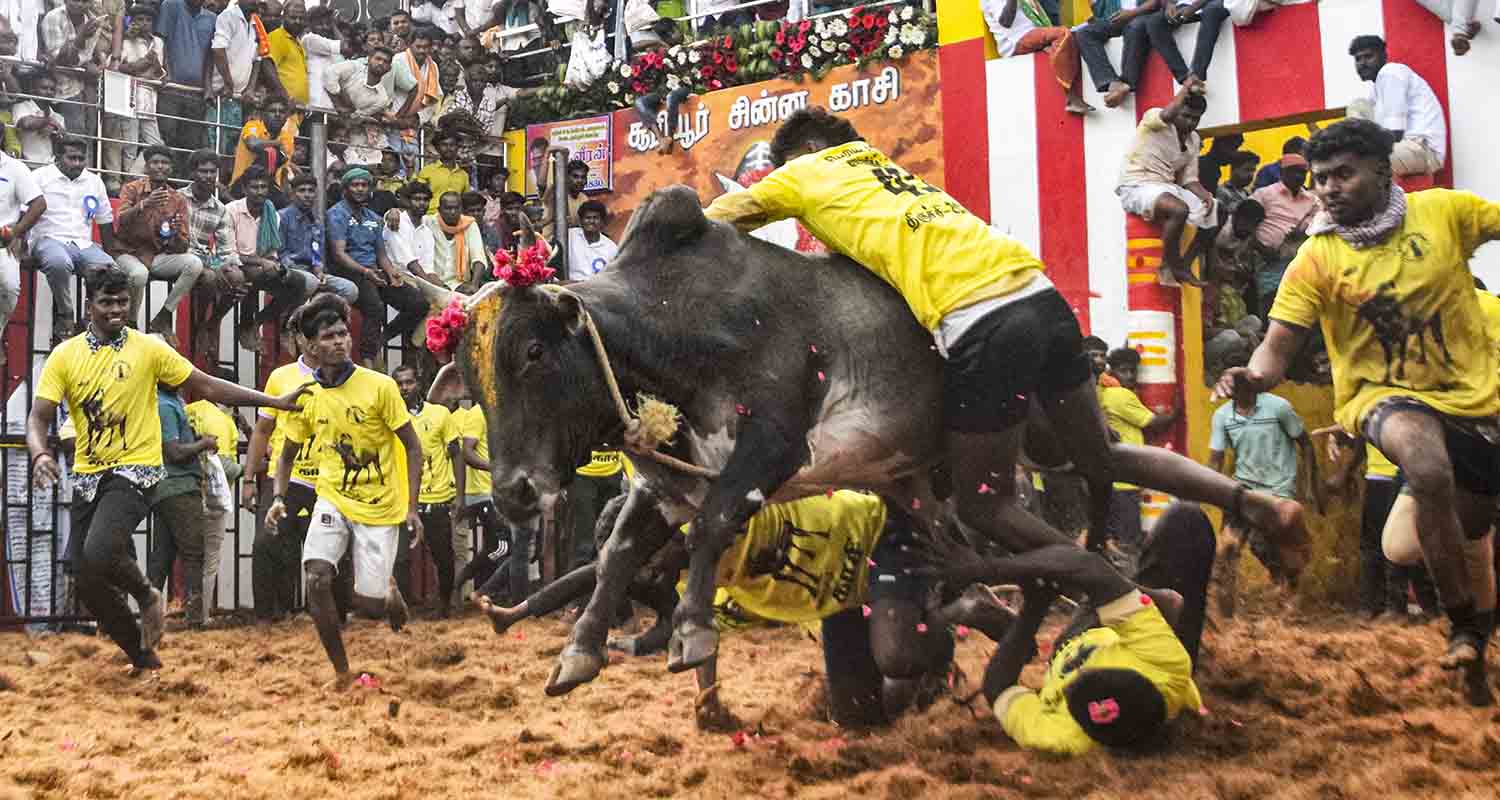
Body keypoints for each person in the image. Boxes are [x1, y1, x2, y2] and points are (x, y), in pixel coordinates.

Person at [1215, 118, 1499, 706]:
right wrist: (1253, 375)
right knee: (1426, 468)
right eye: (1320, 179)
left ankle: (1478, 643)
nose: (1328, 188)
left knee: (1473, 533)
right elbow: (1276, 347)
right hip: (1380, 398)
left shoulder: (1445, 212)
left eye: (1343, 174)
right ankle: (1461, 625)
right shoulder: (1314, 259)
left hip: (1473, 399)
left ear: (1381, 170)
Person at [486, 491, 974, 728]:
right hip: (840, 601)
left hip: (878, 534)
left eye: (648, 561)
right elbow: (597, 577)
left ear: (668, 535)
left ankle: (957, 616)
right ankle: (913, 644)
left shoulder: (718, 519)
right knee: (862, 723)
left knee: (897, 656)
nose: (650, 575)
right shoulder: (698, 587)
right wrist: (709, 700)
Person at [26, 267, 305, 673]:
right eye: (107, 302)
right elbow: (38, 418)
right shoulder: (65, 356)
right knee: (88, 579)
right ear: (90, 306)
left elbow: (207, 385)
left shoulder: (147, 349)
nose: (116, 309)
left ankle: (147, 594)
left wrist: (274, 402)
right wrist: (39, 454)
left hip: (136, 472)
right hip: (88, 475)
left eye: (123, 301)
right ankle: (142, 658)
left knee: (100, 552)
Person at [912, 502, 1212, 755]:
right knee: (1185, 520)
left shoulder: (1061, 737)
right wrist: (988, 568)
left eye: (1079, 679)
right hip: (1142, 637)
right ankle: (1147, 596)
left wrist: (1034, 608)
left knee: (1074, 568)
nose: (1086, 670)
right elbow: (1088, 569)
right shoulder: (1166, 664)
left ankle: (1099, 585)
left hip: (1076, 641)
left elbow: (998, 689)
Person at [265, 293, 423, 685]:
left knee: (368, 607)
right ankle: (342, 671)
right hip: (332, 497)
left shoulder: (380, 387)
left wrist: (412, 507)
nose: (338, 342)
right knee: (316, 577)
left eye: (342, 334)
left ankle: (385, 594)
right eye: (328, 336)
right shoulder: (308, 396)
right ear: (311, 345)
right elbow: (286, 452)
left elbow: (413, 446)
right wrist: (279, 497)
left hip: (381, 507)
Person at [1208, 360, 1314, 616]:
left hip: (1277, 490)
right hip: (1243, 490)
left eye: (1241, 388)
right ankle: (1225, 616)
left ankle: (1288, 588)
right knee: (1227, 550)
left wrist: (1310, 486)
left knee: (1267, 545)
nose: (1236, 394)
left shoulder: (1278, 408)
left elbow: (1306, 444)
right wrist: (1209, 488)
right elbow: (1216, 458)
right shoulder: (1223, 415)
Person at [243, 309, 323, 622]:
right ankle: (268, 618)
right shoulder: (281, 377)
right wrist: (249, 479)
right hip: (284, 478)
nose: (313, 341)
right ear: (297, 340)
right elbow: (262, 430)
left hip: (329, 481)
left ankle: (328, 616)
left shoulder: (345, 376)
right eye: (306, 333)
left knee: (325, 553)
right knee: (267, 543)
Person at [325, 166, 428, 366]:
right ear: (345, 189)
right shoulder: (337, 214)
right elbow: (339, 254)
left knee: (418, 303)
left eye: (364, 185)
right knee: (375, 306)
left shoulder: (373, 217)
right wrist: (366, 272)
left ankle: (383, 338)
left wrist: (392, 272)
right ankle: (368, 359)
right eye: (355, 185)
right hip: (350, 271)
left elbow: (381, 253)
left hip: (374, 271)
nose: (360, 189)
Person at [1327, 438, 1438, 621]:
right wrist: (1346, 468)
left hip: (1399, 476)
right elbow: (1363, 434)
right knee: (1384, 544)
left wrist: (1346, 471)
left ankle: (1401, 607)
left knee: (1400, 545)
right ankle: (1380, 606)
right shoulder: (1369, 411)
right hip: (1386, 476)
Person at [1116, 81, 1214, 287]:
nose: (1190, 122)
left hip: (1165, 186)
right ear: (1178, 110)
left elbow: (1190, 180)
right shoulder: (1154, 118)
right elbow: (1168, 115)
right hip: (1136, 185)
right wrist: (1186, 88)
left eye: (1195, 119)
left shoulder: (1194, 139)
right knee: (1179, 210)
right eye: (1186, 116)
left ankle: (1183, 266)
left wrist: (1205, 195)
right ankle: (1173, 264)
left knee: (1216, 211)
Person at [147, 380, 223, 626]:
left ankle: (150, 617)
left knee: (161, 556)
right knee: (193, 553)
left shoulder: (169, 401)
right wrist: (204, 443)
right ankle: (195, 618)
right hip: (179, 487)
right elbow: (175, 452)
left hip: (166, 488)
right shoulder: (166, 405)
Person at [112, 144, 205, 335]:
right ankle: (130, 322)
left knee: (194, 263)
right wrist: (145, 204)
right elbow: (120, 220)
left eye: (164, 163)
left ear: (170, 169)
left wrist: (176, 233)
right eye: (155, 162)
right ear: (146, 167)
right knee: (139, 275)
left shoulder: (177, 199)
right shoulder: (131, 189)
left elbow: (182, 246)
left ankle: (164, 315)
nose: (160, 166)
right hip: (128, 252)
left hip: (156, 255)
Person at [32, 136, 117, 344]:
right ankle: (65, 314)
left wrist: (110, 255)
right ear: (58, 158)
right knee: (59, 263)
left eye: (81, 159)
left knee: (112, 269)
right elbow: (24, 212)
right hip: (48, 239)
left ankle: (89, 318)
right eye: (72, 158)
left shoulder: (94, 181)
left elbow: (105, 221)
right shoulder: (39, 177)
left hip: (83, 243)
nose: (78, 163)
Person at [1098, 347, 1177, 567]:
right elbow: (1154, 422)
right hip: (1126, 481)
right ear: (1111, 370)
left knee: (1113, 542)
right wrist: (1177, 409)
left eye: (1133, 371)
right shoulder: (1121, 395)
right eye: (1124, 371)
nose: (1131, 376)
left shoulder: (1102, 392)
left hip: (1112, 478)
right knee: (1128, 544)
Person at [226, 165, 318, 353]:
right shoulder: (231, 211)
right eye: (254, 187)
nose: (260, 192)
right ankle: (245, 327)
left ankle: (258, 322)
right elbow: (228, 253)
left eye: (263, 187)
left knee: (303, 283)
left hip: (262, 266)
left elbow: (271, 254)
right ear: (244, 189)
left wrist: (272, 264)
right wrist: (262, 262)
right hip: (233, 265)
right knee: (255, 274)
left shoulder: (272, 215)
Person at [392, 363, 459, 616]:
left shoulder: (440, 414)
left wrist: (460, 497)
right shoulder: (392, 418)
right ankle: (406, 608)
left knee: (443, 556)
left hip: (437, 498)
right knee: (400, 558)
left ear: (418, 382)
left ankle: (444, 605)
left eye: (408, 382)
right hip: (402, 501)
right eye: (399, 384)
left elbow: (456, 454)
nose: (404, 388)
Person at [1348, 35, 1447, 183]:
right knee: (1357, 106)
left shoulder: (1390, 72)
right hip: (1405, 149)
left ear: (1384, 56)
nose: (1362, 63)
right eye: (1358, 59)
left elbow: (1394, 134)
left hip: (1423, 150)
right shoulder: (1375, 91)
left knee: (1356, 165)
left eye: (1368, 56)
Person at [180, 148, 247, 354]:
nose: (209, 176)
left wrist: (230, 267)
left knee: (238, 277)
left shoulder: (220, 209)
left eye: (212, 172)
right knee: (209, 277)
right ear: (193, 172)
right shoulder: (177, 198)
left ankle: (212, 323)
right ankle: (199, 325)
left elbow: (227, 249)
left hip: (205, 260)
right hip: (179, 256)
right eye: (203, 171)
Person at [979, 0, 1092, 115]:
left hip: (1034, 33)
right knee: (1062, 34)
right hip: (1016, 39)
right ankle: (1071, 97)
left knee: (1074, 35)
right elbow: (1005, 22)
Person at [1247, 153, 1318, 321]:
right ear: (1282, 172)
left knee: (1295, 307)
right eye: (1294, 171)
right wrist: (1261, 248)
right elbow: (1246, 221)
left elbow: (1320, 223)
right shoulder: (1264, 194)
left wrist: (1303, 232)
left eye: (1303, 172)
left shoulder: (1312, 200)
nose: (1299, 176)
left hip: (1298, 260)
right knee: (1271, 305)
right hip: (1267, 259)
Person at [104, 4, 166, 188]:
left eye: (148, 20)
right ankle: (126, 188)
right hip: (127, 97)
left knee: (156, 144)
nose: (144, 24)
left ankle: (131, 178)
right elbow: (115, 67)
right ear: (132, 21)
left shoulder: (158, 42)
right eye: (140, 19)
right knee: (129, 145)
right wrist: (142, 65)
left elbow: (161, 74)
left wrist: (153, 67)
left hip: (149, 100)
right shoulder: (124, 40)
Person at [278, 173, 361, 304]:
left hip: (312, 273)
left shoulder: (316, 222)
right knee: (309, 282)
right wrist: (304, 273)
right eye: (302, 190)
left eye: (311, 191)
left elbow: (317, 254)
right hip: (289, 271)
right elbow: (281, 254)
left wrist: (319, 271)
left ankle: (319, 317)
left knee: (350, 290)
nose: (307, 194)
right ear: (293, 193)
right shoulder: (282, 217)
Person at [0, 131, 44, 371]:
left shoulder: (13, 168)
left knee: (9, 288)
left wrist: (17, 231)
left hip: (2, 243)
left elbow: (39, 204)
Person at [155, 0, 217, 159]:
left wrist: (208, 86)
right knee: (167, 138)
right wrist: (165, 72)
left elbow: (211, 56)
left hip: (196, 93)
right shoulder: (171, 5)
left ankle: (181, 182)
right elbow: (161, 41)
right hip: (171, 90)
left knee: (191, 144)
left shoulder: (212, 18)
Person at [40, 0, 108, 137]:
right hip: (62, 89)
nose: (79, 4)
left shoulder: (93, 22)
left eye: (84, 1)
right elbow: (58, 60)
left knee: (88, 135)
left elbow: (82, 59)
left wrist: (87, 65)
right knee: (72, 138)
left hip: (85, 88)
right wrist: (81, 37)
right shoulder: (53, 17)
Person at [1074, 0, 1158, 109]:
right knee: (1084, 33)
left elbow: (1156, 3)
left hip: (1142, 16)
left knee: (1135, 27)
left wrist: (1131, 14)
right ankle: (1112, 83)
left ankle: (1126, 83)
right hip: (1118, 19)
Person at [204, 0, 262, 154]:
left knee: (230, 149)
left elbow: (258, 59)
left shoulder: (257, 24)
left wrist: (250, 88)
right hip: (220, 95)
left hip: (237, 98)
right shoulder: (228, 16)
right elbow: (217, 50)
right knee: (213, 146)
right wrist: (228, 82)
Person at [324, 46, 396, 168]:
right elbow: (329, 74)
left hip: (342, 130)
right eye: (378, 58)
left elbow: (356, 116)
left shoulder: (381, 98)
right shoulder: (353, 67)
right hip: (321, 115)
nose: (380, 63)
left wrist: (347, 108)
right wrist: (339, 103)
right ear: (369, 59)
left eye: (385, 62)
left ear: (389, 68)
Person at [1145, 0, 1230, 93]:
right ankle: (1185, 78)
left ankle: (1197, 76)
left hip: (1216, 3)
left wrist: (1194, 7)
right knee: (1154, 22)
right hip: (1186, 6)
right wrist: (1169, 4)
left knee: (1212, 11)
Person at [231, 96, 300, 199]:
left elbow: (283, 171)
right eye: (273, 111)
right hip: (242, 186)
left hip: (271, 188)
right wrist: (277, 143)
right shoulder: (253, 125)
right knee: (271, 152)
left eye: (281, 112)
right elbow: (253, 144)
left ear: (286, 116)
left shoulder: (287, 137)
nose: (277, 114)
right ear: (263, 115)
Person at [424, 190, 487, 290]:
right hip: (433, 281)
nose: (453, 212)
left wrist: (474, 285)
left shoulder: (469, 224)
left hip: (459, 283)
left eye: (456, 208)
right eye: (448, 208)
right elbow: (406, 217)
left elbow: (478, 258)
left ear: (461, 209)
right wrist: (392, 212)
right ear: (439, 210)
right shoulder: (428, 222)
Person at [382, 180, 437, 283]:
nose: (422, 203)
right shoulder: (396, 223)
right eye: (417, 199)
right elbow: (409, 263)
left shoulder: (427, 230)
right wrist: (432, 286)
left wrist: (442, 288)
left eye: (425, 200)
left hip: (420, 279)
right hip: (396, 277)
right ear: (407, 201)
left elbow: (428, 268)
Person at [260, 0, 309, 106]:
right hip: (283, 109)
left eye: (301, 18)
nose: (297, 21)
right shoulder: (278, 36)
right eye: (293, 17)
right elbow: (267, 65)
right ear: (283, 18)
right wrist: (285, 97)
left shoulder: (297, 41)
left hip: (297, 108)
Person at [11, 73, 66, 166]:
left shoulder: (58, 117)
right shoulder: (21, 107)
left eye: (52, 89)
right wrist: (50, 122)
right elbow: (25, 123)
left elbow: (61, 143)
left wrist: (54, 133)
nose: (49, 92)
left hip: (50, 166)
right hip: (25, 164)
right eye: (44, 88)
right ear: (33, 90)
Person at [415, 130, 469, 216]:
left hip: (454, 219)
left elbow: (466, 201)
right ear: (438, 148)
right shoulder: (427, 170)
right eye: (444, 145)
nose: (448, 148)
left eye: (452, 145)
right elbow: (416, 197)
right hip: (431, 217)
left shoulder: (463, 175)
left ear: (457, 148)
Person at [540, 158, 591, 241]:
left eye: (583, 177)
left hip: (572, 245)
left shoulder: (584, 199)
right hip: (550, 245)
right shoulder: (556, 193)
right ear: (566, 178)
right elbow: (541, 185)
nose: (579, 180)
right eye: (575, 176)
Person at [566, 199, 617, 279]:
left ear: (602, 221)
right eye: (587, 218)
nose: (591, 221)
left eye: (596, 218)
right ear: (581, 221)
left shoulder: (611, 248)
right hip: (570, 288)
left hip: (597, 289)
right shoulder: (569, 236)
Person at [1215, 150, 1258, 221]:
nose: (1251, 174)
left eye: (1253, 170)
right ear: (1233, 169)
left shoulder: (1248, 193)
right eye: (1247, 170)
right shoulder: (1222, 191)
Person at [462, 191, 502, 260]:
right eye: (472, 211)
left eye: (479, 210)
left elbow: (499, 259)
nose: (476, 214)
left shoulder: (492, 233)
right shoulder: (457, 232)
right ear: (464, 213)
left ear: (484, 211)